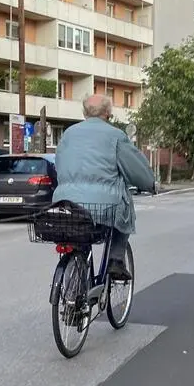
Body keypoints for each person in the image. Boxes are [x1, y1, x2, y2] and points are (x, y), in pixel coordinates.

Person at [52, 94, 156, 281]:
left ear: (84, 112)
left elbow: (59, 164)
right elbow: (134, 167)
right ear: (108, 112)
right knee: (124, 212)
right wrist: (149, 184)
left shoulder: (68, 134)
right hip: (103, 207)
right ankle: (115, 260)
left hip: (66, 203)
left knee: (79, 234)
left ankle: (77, 281)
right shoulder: (115, 135)